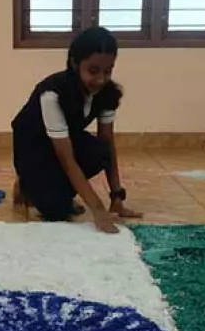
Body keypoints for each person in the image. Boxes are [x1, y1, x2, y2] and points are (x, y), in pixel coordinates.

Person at [10, 26, 143, 234]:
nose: (100, 79)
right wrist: (98, 209)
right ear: (74, 63)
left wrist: (117, 196)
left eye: (107, 71)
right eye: (93, 70)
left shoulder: (107, 93)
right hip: (33, 146)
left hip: (65, 140)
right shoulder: (52, 94)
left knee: (100, 152)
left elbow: (107, 143)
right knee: (55, 211)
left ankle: (53, 191)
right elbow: (67, 159)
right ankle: (26, 183)